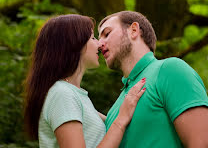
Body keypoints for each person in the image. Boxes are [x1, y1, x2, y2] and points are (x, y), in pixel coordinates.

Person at [24, 14, 146, 148]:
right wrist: (121, 120)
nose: (99, 44)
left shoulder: (75, 95)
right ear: (74, 43)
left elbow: (111, 124)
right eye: (93, 38)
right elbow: (118, 123)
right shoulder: (62, 94)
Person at [98, 10, 208, 148]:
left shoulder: (170, 70)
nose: (99, 44)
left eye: (107, 34)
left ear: (133, 30)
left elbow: (201, 143)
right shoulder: (116, 109)